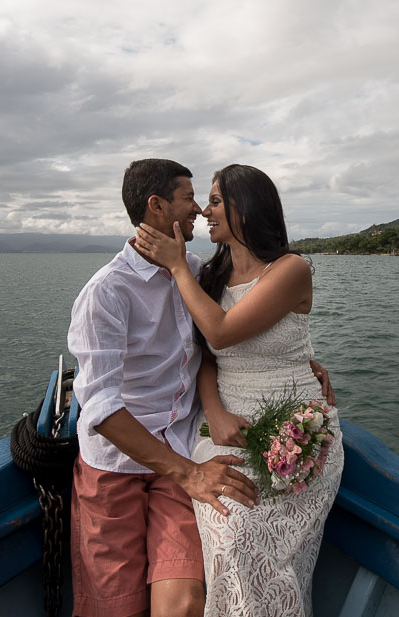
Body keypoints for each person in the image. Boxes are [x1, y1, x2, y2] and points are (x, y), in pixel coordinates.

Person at [134, 164, 343, 617]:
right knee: (230, 534)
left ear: (244, 208)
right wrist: (216, 412)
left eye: (214, 201)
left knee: (254, 544)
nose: (203, 212)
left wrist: (175, 265)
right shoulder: (211, 274)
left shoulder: (290, 270)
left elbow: (223, 331)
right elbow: (208, 355)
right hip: (225, 425)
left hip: (293, 427)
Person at [68, 159, 259, 617]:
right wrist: (188, 474)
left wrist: (301, 362)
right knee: (114, 608)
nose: (196, 208)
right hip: (115, 468)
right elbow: (100, 408)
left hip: (179, 451)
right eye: (186, 198)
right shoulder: (107, 292)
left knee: (186, 603)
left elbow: (235, 328)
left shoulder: (192, 271)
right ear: (156, 206)